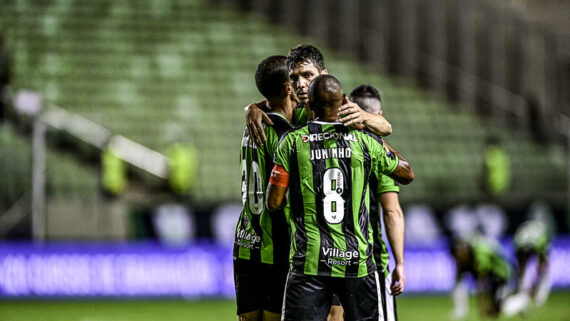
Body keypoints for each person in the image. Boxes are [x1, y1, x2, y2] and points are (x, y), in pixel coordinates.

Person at [266, 74, 414, 321]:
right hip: (357, 263)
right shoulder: (366, 143)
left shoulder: (292, 142)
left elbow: (273, 202)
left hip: (309, 263)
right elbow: (407, 172)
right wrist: (373, 135)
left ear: (309, 106)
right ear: (344, 102)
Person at [328, 85, 405, 321]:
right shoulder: (374, 149)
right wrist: (399, 263)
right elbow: (391, 212)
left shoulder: (326, 144)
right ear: (376, 116)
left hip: (328, 258)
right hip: (369, 260)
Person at [233, 55, 296, 321]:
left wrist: (252, 106)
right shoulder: (282, 133)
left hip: (246, 239)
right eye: (294, 78)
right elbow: (280, 198)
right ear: (287, 87)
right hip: (275, 244)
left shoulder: (251, 125)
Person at [245, 44, 393, 147]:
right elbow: (274, 101)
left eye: (307, 75)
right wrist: (252, 108)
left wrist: (364, 116)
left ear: (323, 75)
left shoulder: (338, 110)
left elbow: (386, 128)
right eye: (294, 78)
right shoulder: (298, 110)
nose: (300, 84)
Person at [450, 233, 512, 319]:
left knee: (496, 310)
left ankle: (518, 303)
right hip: (486, 269)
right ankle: (460, 310)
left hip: (499, 273)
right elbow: (458, 280)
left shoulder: (480, 254)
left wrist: (482, 306)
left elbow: (483, 282)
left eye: (462, 251)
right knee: (457, 284)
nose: (460, 255)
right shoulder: (463, 256)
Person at [513, 218, 552, 305]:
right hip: (527, 244)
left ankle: (524, 293)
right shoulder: (540, 232)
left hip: (523, 245)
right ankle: (534, 294)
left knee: (523, 270)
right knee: (542, 269)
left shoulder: (527, 230)